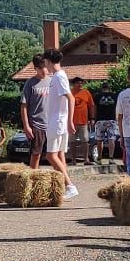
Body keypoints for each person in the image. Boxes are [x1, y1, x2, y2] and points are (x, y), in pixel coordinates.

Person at [36, 51, 79, 199]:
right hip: (57, 120)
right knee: (60, 155)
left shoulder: (59, 76)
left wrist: (69, 120)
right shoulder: (58, 76)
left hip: (58, 121)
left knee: (50, 155)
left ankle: (69, 185)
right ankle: (64, 186)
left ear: (48, 61)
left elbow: (71, 99)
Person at [19, 56, 47, 167]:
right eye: (41, 68)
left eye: (45, 67)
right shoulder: (30, 83)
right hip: (36, 124)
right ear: (35, 68)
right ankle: (32, 177)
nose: (44, 70)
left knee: (53, 154)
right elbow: (24, 106)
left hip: (51, 124)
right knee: (36, 154)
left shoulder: (52, 81)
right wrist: (26, 126)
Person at [71, 78, 94, 165]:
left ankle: (86, 159)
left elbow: (91, 106)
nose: (80, 85)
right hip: (72, 122)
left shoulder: (86, 92)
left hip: (83, 121)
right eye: (77, 83)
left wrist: (92, 118)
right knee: (72, 141)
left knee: (85, 140)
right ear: (73, 84)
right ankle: (73, 160)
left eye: (81, 83)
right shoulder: (70, 92)